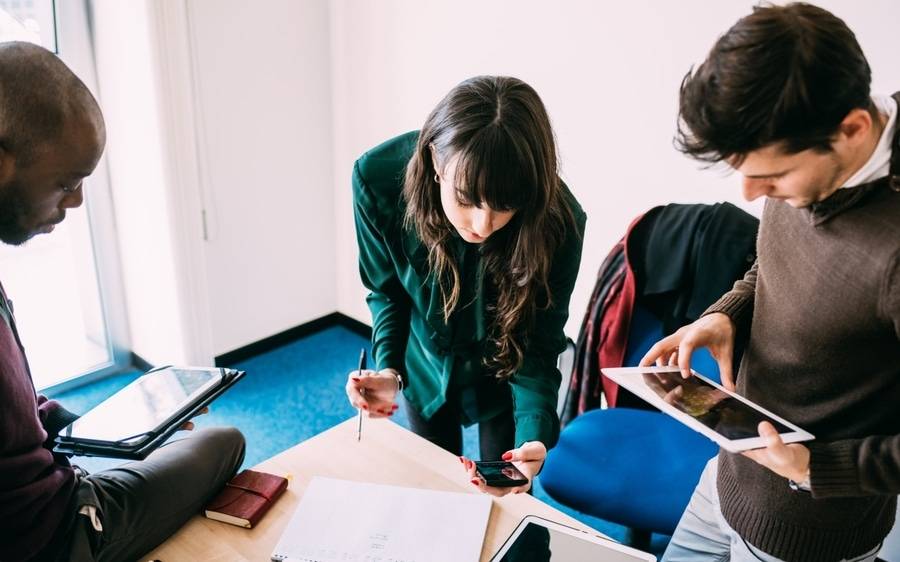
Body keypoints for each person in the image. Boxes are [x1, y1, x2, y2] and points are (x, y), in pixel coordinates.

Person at [640, 4, 900, 561]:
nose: (749, 194)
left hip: (807, 533)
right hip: (728, 476)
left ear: (852, 130)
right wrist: (726, 312)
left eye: (772, 175)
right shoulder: (812, 144)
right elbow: (778, 263)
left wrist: (815, 467)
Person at [0, 41, 246, 562]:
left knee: (159, 443)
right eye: (66, 183)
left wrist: (86, 427)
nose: (75, 202)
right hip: (52, 532)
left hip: (48, 480)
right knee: (224, 442)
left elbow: (17, 414)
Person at [345, 75, 586, 496]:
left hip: (505, 372)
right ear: (437, 162)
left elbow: (540, 343)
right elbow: (387, 292)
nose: (482, 225)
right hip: (423, 363)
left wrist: (534, 435)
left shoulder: (559, 221)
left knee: (509, 503)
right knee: (434, 496)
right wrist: (388, 368)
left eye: (504, 206)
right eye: (466, 198)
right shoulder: (376, 179)